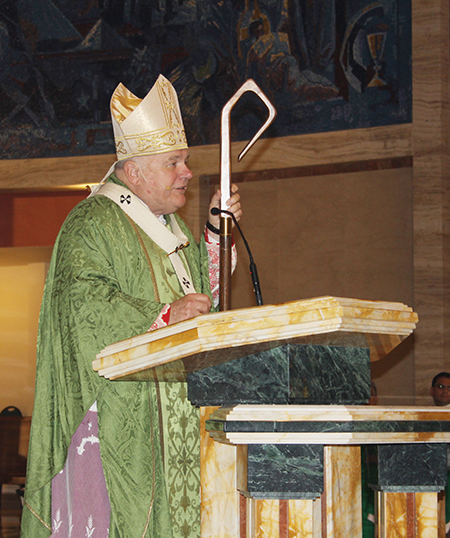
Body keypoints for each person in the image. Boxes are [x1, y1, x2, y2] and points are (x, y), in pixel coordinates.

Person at [20, 74, 241, 538]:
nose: (186, 172)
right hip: (117, 421)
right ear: (134, 171)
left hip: (176, 417)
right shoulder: (93, 223)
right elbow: (83, 305)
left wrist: (217, 236)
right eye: (174, 163)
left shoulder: (165, 224)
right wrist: (162, 316)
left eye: (185, 160)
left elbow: (203, 300)